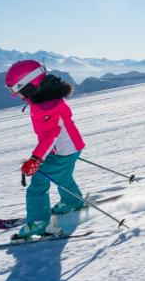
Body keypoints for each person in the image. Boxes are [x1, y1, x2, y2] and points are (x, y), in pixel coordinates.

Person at [5, 60, 86, 238]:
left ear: (29, 85)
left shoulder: (47, 105)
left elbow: (51, 134)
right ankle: (72, 202)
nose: (17, 95)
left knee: (38, 183)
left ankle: (39, 223)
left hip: (63, 151)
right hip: (67, 148)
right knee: (62, 176)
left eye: (17, 91)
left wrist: (36, 159)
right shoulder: (43, 98)